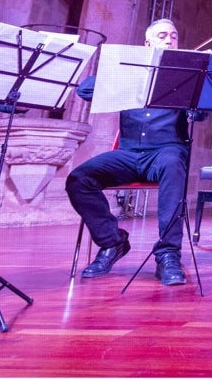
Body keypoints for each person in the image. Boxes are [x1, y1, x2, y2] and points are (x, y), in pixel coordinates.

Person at [67, 18, 192, 287]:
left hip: (166, 151)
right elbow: (85, 89)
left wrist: (198, 81)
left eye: (174, 35)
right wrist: (127, 73)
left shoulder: (183, 77)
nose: (169, 40)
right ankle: (112, 243)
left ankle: (168, 253)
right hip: (128, 153)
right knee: (79, 179)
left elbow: (202, 112)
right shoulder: (129, 72)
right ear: (147, 43)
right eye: (162, 36)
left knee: (173, 163)